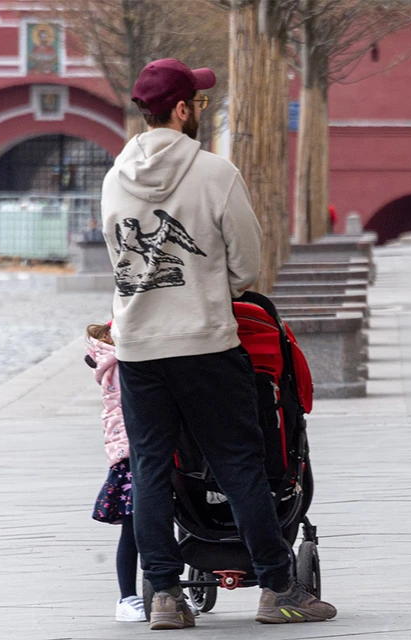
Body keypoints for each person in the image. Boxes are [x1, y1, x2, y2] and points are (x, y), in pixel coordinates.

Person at [100, 58, 337, 631]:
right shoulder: (215, 174)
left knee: (154, 467)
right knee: (239, 464)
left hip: (138, 349)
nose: (201, 111)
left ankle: (163, 596)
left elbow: (121, 263)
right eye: (199, 103)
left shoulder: (114, 176)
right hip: (205, 342)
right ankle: (278, 589)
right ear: (181, 110)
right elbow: (248, 266)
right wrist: (204, 290)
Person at [86, 322, 146, 624]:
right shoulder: (122, 365)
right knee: (134, 527)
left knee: (145, 526)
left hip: (137, 452)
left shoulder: (120, 361)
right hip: (132, 455)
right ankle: (127, 597)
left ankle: (161, 588)